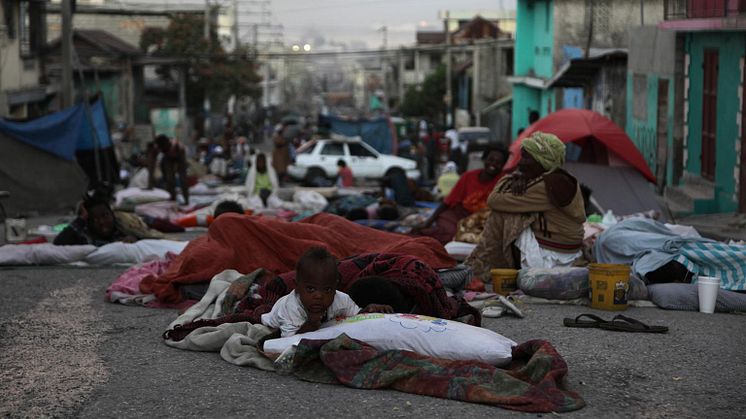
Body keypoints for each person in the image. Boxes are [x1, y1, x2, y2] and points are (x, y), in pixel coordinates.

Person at [465, 132, 586, 280]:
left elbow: (494, 200)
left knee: (504, 214)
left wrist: (510, 177)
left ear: (541, 161)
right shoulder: (560, 178)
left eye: (526, 157)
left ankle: (483, 269)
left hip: (550, 258)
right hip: (567, 253)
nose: (520, 163)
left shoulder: (544, 186)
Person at [260, 247, 393, 337]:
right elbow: (289, 341)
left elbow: (356, 316)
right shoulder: (291, 307)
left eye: (327, 289)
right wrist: (311, 323)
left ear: (336, 287)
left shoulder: (341, 300)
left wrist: (369, 310)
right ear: (297, 287)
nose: (319, 296)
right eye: (310, 289)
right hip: (273, 324)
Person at [414, 145, 507, 244]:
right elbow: (447, 201)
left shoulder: (504, 181)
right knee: (448, 232)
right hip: (458, 215)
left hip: (481, 222)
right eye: (491, 159)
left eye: (498, 162)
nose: (493, 164)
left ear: (503, 165)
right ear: (484, 159)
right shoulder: (468, 177)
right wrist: (428, 222)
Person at [54, 193, 135, 246]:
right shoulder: (85, 237)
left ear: (112, 214)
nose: (102, 222)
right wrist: (81, 219)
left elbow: (144, 234)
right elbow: (58, 243)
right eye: (95, 219)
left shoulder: (124, 227)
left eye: (105, 215)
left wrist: (133, 239)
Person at [147, 134, 189, 205]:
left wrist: (181, 173)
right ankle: (172, 199)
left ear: (168, 144)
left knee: (183, 180)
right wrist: (150, 184)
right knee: (169, 180)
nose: (162, 149)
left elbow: (182, 169)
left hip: (179, 156)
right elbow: (151, 166)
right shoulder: (157, 148)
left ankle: (186, 200)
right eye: (162, 148)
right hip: (167, 158)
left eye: (164, 147)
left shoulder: (178, 146)